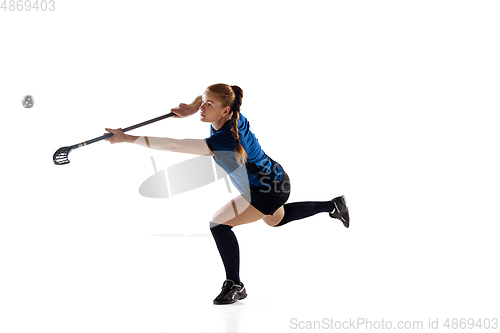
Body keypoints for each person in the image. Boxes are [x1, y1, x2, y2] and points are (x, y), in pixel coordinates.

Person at [104, 83, 350, 305]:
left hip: (267, 191)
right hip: (276, 179)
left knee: (218, 224)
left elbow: (175, 145)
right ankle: (333, 206)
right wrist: (192, 106)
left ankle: (235, 284)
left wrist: (127, 138)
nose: (203, 106)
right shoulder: (234, 112)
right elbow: (218, 93)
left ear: (224, 111)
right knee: (277, 219)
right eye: (203, 101)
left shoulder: (225, 140)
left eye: (208, 105)